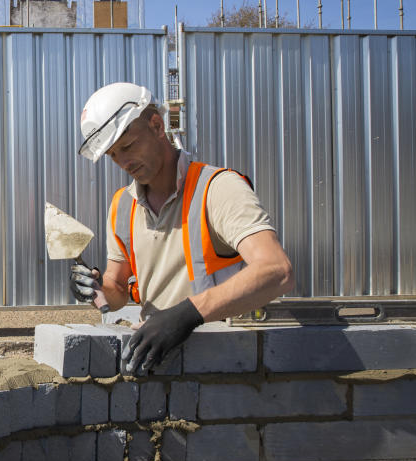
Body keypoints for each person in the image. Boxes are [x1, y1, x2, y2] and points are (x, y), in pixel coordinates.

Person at [70, 82, 293, 375]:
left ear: (157, 125)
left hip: (226, 364)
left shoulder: (218, 188)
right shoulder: (123, 205)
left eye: (127, 146)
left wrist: (188, 314)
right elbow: (119, 292)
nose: (123, 162)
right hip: (158, 364)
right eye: (113, 155)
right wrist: (95, 289)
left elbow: (277, 270)